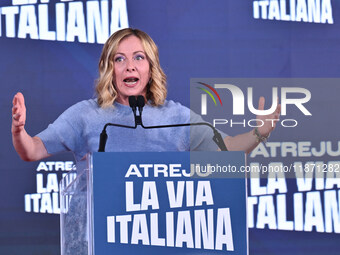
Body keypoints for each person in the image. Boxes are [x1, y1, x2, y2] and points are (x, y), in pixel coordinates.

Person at [11, 28, 280, 162]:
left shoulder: (177, 117)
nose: (129, 65)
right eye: (120, 59)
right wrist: (19, 131)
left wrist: (259, 133)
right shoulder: (85, 115)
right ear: (109, 69)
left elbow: (227, 150)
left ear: (150, 69)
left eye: (139, 58)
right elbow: (32, 150)